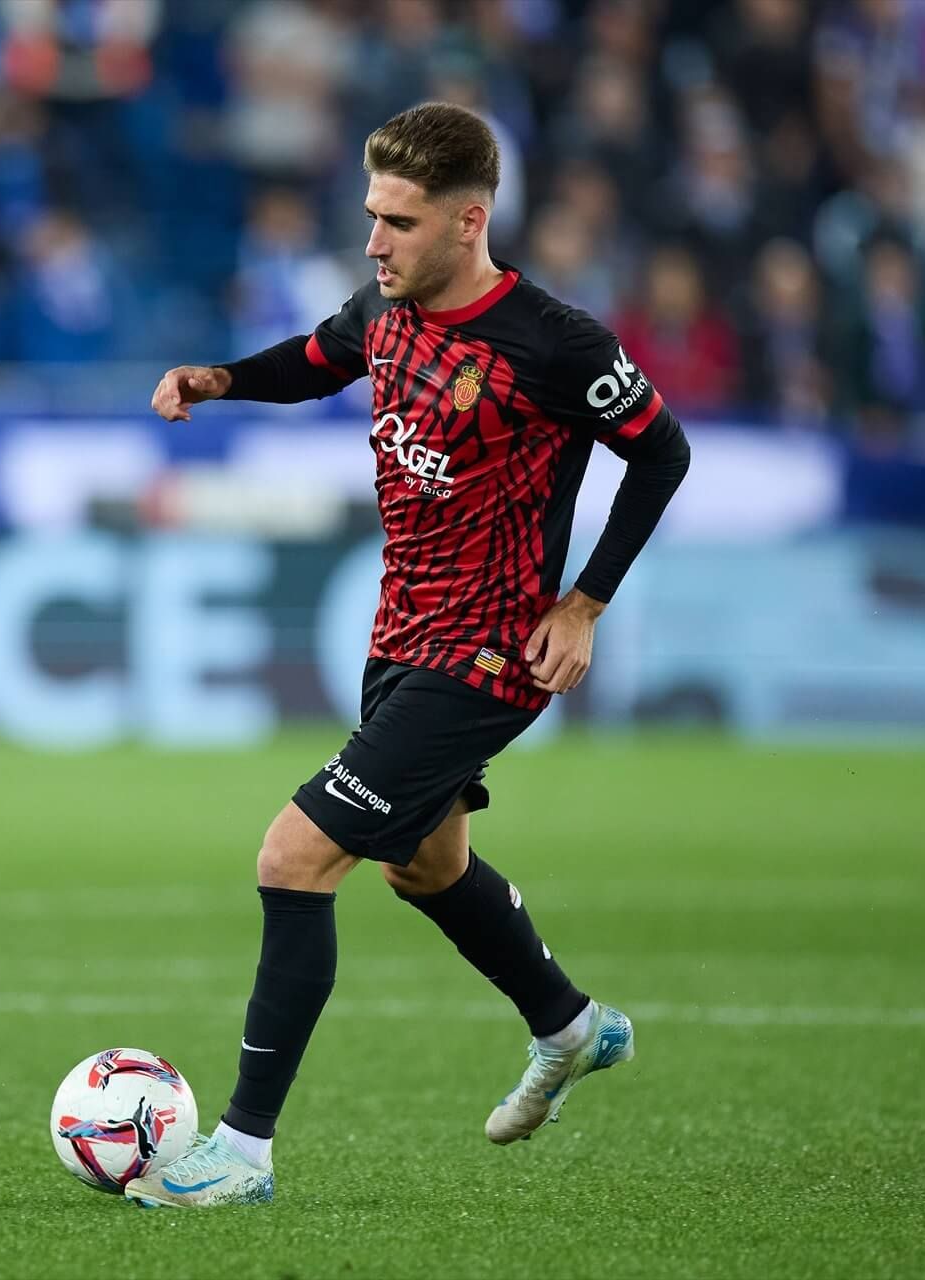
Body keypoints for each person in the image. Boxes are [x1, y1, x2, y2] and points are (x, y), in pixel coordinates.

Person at [133, 102, 691, 1209]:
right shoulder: (384, 308)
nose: (375, 240)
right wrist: (220, 378)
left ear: (467, 219)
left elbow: (661, 452)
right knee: (424, 865)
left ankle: (240, 1153)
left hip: (491, 650)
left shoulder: (554, 340)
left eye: (397, 220)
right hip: (400, 632)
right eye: (371, 216)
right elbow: (316, 357)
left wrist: (582, 603)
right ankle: (571, 1024)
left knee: (294, 857)